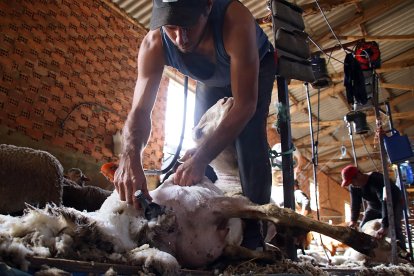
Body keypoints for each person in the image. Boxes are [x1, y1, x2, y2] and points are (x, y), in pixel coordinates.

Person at [114, 0, 276, 250]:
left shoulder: (236, 21)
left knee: (248, 140)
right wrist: (130, 156)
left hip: (256, 64)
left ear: (208, 6)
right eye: (171, 27)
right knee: (200, 137)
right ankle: (206, 224)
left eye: (188, 24)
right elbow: (140, 111)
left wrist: (200, 158)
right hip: (210, 75)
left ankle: (256, 231)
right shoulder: (154, 43)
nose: (180, 38)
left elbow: (245, 106)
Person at [341, 165, 405, 249]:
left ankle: (404, 254)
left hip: (393, 202)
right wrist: (353, 220)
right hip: (373, 206)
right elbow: (355, 203)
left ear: (358, 175)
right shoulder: (354, 187)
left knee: (394, 228)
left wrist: (384, 226)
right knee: (363, 228)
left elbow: (385, 202)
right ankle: (371, 252)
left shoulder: (377, 179)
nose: (352, 185)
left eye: (352, 182)